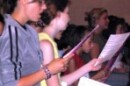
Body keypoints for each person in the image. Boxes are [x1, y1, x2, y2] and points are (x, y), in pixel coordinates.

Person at [0, 0, 73, 86]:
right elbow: (11, 84)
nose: (44, 7)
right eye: (39, 2)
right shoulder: (11, 32)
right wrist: (48, 70)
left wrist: (55, 66)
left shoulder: (30, 31)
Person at [38, 0, 101, 86]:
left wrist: (89, 66)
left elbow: (59, 81)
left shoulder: (47, 41)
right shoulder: (46, 45)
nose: (69, 18)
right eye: (67, 13)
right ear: (58, 14)